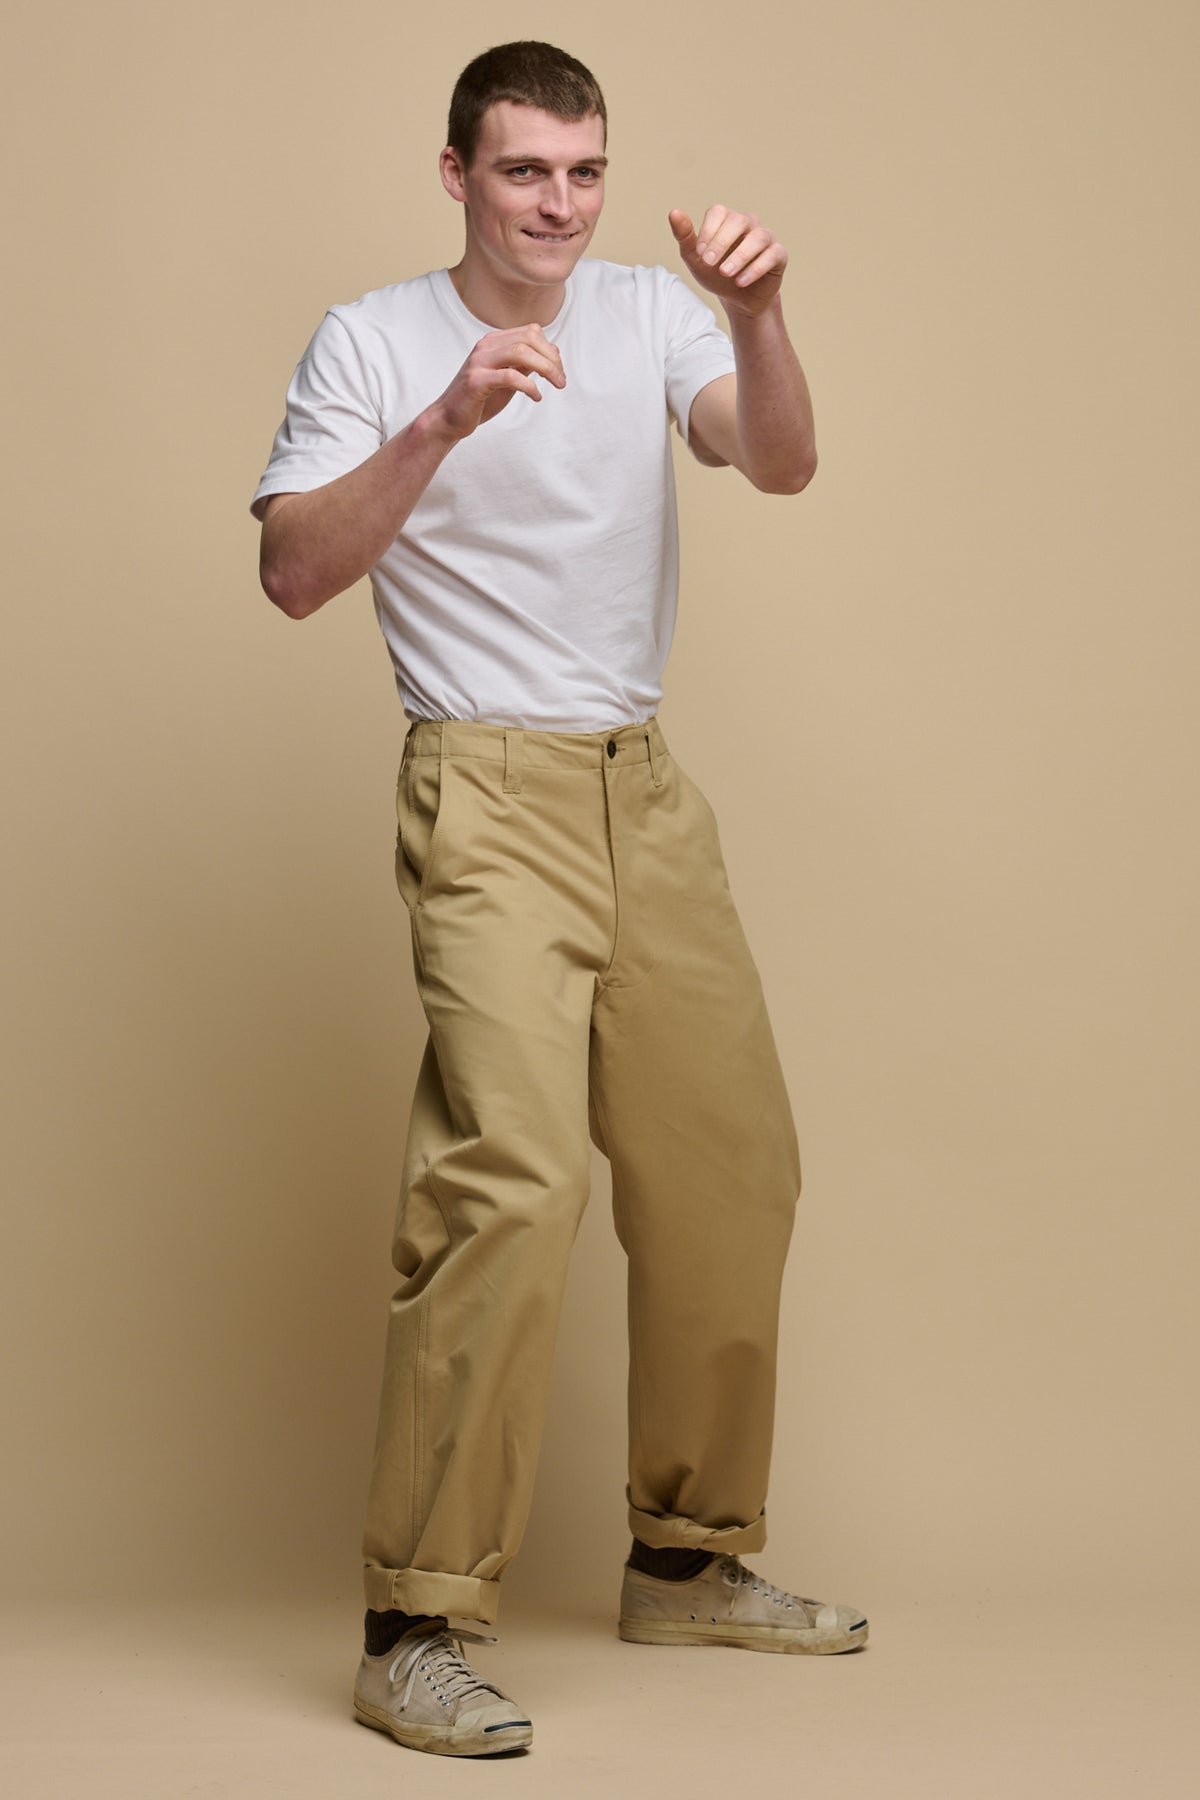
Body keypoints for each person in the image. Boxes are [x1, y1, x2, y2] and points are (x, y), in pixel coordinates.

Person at [251, 38, 867, 1759]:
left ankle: (687, 1554)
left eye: (585, 171)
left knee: (735, 1168)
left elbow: (786, 461)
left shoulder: (657, 315)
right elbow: (295, 570)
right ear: (456, 172)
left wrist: (756, 312)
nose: (560, 205)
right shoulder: (372, 340)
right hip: (487, 786)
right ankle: (414, 1623)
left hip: (641, 785)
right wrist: (443, 417)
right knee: (510, 1181)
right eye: (526, 171)